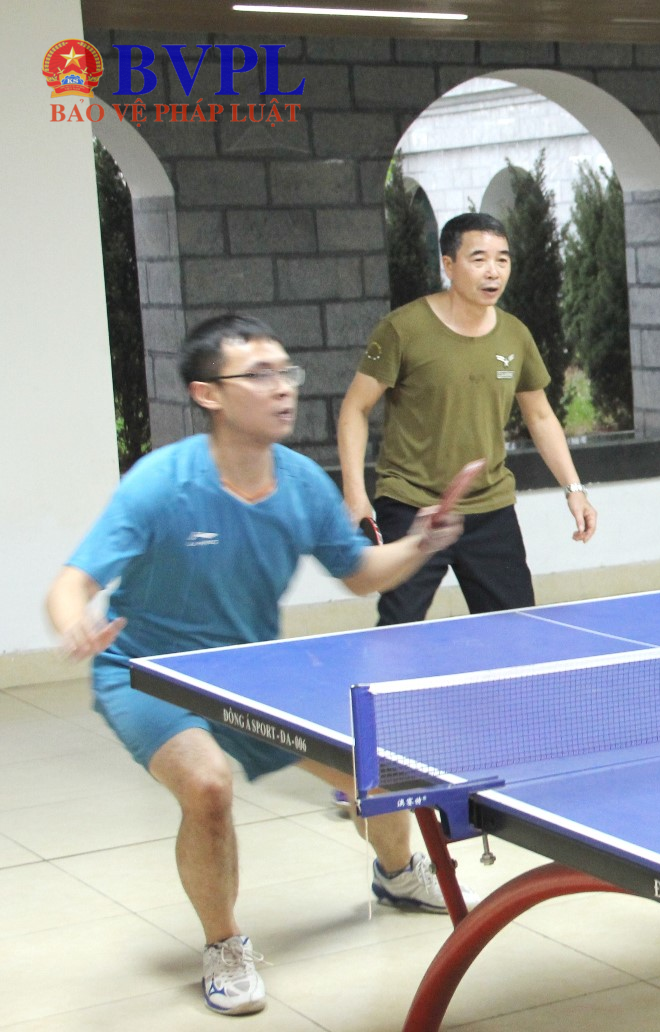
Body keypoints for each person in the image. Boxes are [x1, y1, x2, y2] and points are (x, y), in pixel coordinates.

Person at [46, 314, 470, 1017]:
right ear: (208, 394)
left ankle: (397, 874)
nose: (283, 388)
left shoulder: (299, 482)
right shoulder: (161, 484)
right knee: (208, 785)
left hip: (249, 675)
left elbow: (360, 573)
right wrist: (75, 622)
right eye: (260, 375)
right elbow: (72, 582)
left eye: (286, 372)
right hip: (148, 673)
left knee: (377, 767)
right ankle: (224, 945)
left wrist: (420, 543)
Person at [337, 212, 597, 625]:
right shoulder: (401, 329)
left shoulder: (515, 335)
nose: (493, 271)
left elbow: (540, 415)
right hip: (411, 504)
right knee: (398, 635)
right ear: (449, 264)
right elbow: (356, 407)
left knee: (516, 633)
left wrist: (574, 489)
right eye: (479, 259)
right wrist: (355, 493)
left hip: (490, 507)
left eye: (502, 260)